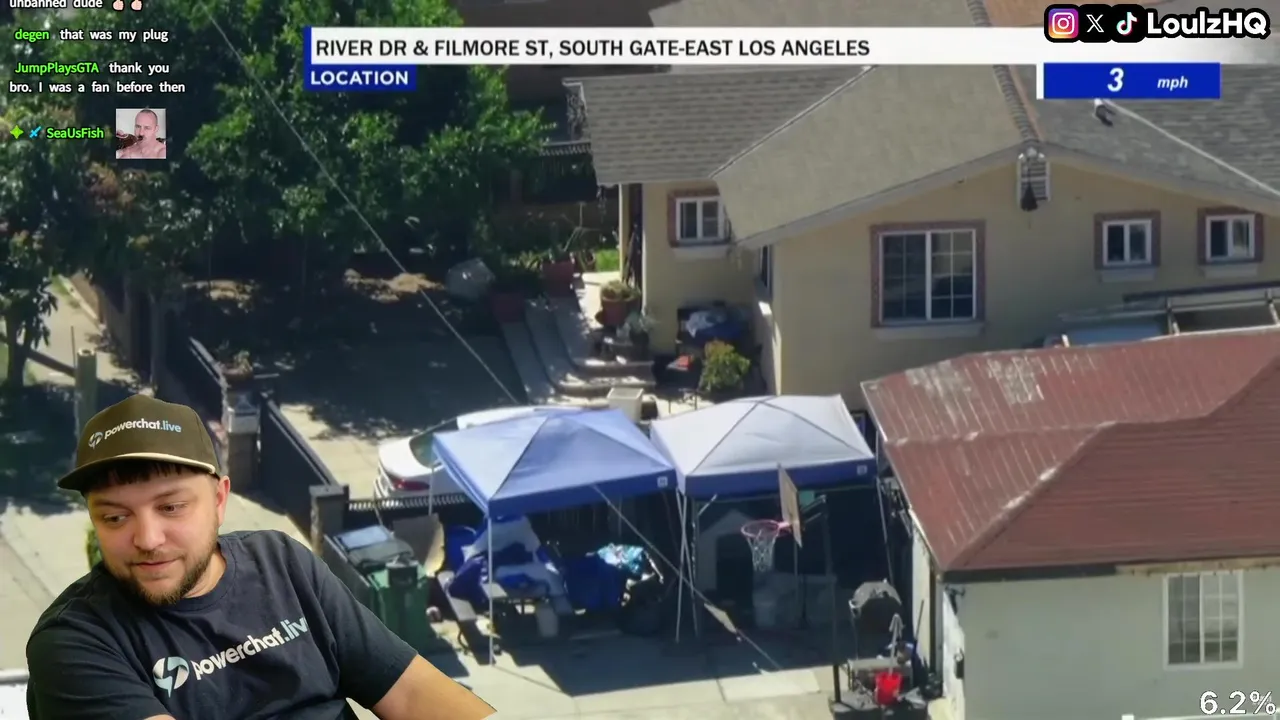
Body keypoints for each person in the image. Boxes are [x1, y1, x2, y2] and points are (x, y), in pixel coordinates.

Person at [26, 394, 495, 720]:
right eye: (114, 518)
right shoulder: (75, 642)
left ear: (219, 500)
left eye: (171, 507)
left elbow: (410, 692)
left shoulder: (281, 563)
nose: (147, 539)